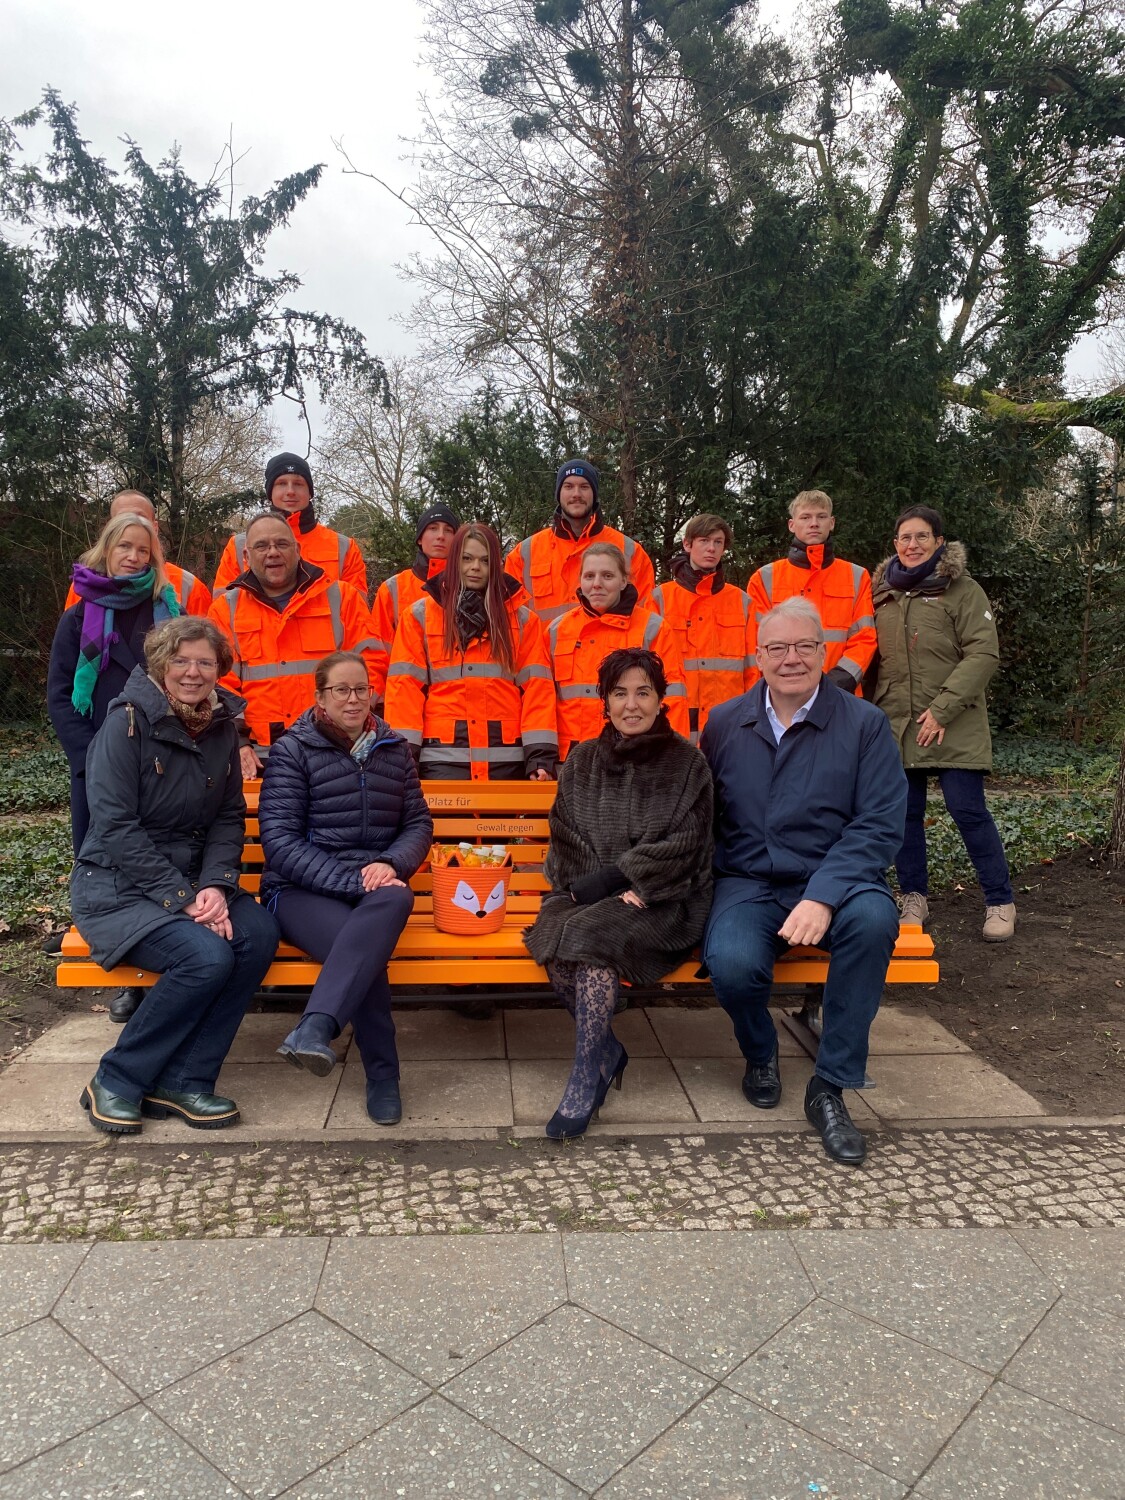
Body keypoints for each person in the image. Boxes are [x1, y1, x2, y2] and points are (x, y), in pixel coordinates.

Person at [700, 597, 907, 1166]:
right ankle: (760, 1052)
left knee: (874, 921)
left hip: (839, 876)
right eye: (777, 648)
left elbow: (879, 822)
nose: (790, 658)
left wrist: (823, 894)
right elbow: (704, 815)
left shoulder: (864, 724)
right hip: (749, 880)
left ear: (823, 651)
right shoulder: (725, 722)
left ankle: (831, 1087)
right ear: (758, 657)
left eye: (803, 646)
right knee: (732, 962)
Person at [71, 616, 278, 1135]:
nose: (193, 672)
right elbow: (115, 827)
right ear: (161, 664)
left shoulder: (221, 726)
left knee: (257, 934)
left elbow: (228, 816)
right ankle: (117, 1078)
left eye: (205, 662)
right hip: (117, 886)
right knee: (205, 957)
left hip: (192, 882)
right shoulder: (125, 724)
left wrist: (215, 886)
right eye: (181, 660)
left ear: (219, 670)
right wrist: (183, 897)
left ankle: (184, 1080)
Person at [524, 647, 713, 1137]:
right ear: (605, 702)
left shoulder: (688, 764)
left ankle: (585, 1078)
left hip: (662, 900)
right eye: (620, 693)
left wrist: (633, 881)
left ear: (661, 699)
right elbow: (566, 832)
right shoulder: (582, 760)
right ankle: (608, 1049)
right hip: (589, 894)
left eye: (643, 693)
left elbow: (687, 843)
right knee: (555, 940)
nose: (632, 705)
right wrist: (599, 887)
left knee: (592, 941)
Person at [258, 652, 434, 1125]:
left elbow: (417, 823)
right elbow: (280, 841)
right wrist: (350, 881)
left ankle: (315, 1028)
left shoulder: (393, 748)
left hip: (376, 887)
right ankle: (383, 1075)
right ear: (320, 697)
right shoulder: (294, 750)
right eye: (341, 690)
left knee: (396, 895)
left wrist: (390, 863)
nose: (353, 699)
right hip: (299, 891)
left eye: (361, 689)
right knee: (362, 950)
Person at [871, 506, 1015, 942]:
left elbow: (983, 653)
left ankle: (1000, 901)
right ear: (895, 544)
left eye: (922, 537)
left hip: (955, 721)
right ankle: (914, 896)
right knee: (904, 815)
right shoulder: (881, 593)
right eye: (905, 537)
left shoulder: (963, 590)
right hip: (898, 724)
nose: (912, 545)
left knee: (967, 810)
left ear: (938, 542)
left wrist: (941, 710)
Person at [208, 512, 381, 779]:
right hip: (260, 755)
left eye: (281, 544)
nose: (273, 552)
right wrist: (238, 743)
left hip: (337, 747)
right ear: (246, 556)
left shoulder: (342, 598)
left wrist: (353, 727)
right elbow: (218, 684)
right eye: (262, 546)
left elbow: (372, 666)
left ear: (298, 549)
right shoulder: (225, 610)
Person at [386, 522, 558, 780]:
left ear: (496, 566)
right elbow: (404, 691)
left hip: (507, 760)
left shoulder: (523, 621)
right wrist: (404, 759)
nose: (475, 567)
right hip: (442, 759)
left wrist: (540, 758)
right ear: (454, 561)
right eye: (467, 558)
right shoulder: (419, 617)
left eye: (485, 560)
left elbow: (537, 691)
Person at [547, 542, 689, 758]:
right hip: (571, 757)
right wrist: (542, 756)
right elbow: (542, 699)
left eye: (607, 576)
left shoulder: (653, 629)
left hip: (634, 757)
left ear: (623, 581)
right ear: (580, 581)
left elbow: (672, 699)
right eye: (589, 576)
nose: (597, 584)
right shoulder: (556, 631)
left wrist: (671, 758)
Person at [746, 490, 876, 693]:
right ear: (792, 525)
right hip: (784, 695)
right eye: (805, 517)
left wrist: (837, 682)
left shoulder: (857, 576)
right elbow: (758, 642)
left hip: (841, 694)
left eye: (821, 517)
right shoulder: (764, 578)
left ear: (831, 523)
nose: (814, 523)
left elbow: (865, 637)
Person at [505, 459, 655, 624]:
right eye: (568, 486)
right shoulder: (523, 555)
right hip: (544, 642)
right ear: (559, 493)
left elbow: (644, 619)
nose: (576, 494)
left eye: (584, 487)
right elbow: (510, 620)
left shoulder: (630, 551)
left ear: (594, 494)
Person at [652, 513, 754, 743]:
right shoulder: (660, 599)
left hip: (729, 724)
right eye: (704, 541)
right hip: (674, 723)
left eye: (718, 542)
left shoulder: (743, 602)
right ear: (687, 544)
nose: (711, 548)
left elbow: (753, 669)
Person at [212, 453, 368, 595]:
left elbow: (357, 610)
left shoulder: (343, 547)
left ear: (309, 492)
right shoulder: (239, 546)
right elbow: (223, 607)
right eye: (281, 483)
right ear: (270, 493)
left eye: (298, 484)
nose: (290, 491)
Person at [65, 491, 212, 617]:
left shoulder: (189, 586)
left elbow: (203, 639)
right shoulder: (85, 585)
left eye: (140, 518)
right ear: (110, 528)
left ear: (155, 528)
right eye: (123, 518)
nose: (132, 524)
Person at [369, 503, 460, 690]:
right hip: (403, 694)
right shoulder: (392, 589)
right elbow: (377, 654)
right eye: (433, 528)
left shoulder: (469, 587)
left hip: (453, 698)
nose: (441, 536)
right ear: (419, 538)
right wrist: (378, 700)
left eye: (448, 530)